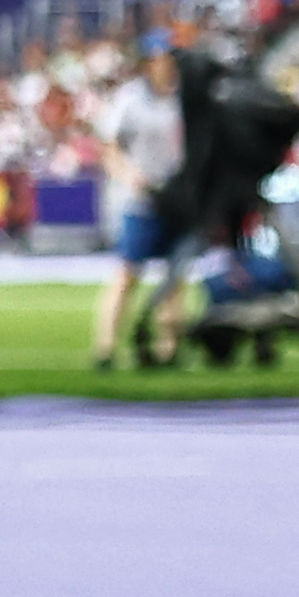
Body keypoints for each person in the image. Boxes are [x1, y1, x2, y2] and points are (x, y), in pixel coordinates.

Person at [91, 36, 188, 369]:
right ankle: (105, 347)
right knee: (127, 273)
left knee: (175, 277)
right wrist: (130, 175)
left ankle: (169, 347)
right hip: (142, 199)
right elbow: (110, 148)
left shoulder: (185, 97)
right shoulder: (131, 99)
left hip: (176, 197)